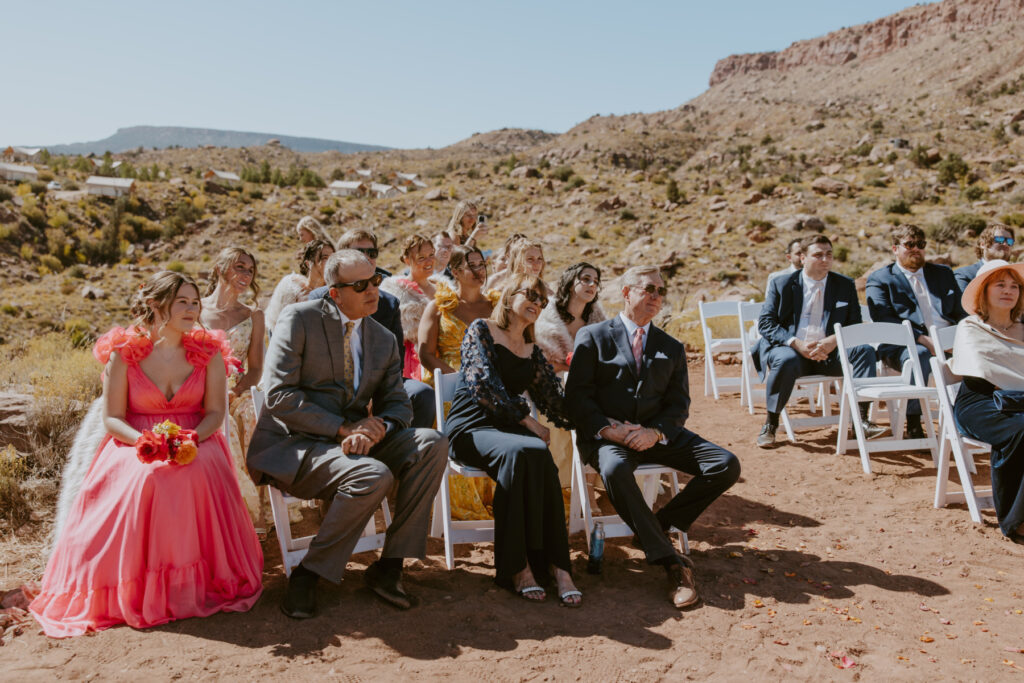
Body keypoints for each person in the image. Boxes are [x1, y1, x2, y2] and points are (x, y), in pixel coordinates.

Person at [31, 272, 263, 637]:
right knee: (148, 476)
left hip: (198, 437)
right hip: (133, 439)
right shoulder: (125, 354)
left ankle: (188, 587)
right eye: (182, 301)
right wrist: (144, 442)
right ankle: (135, 587)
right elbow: (112, 418)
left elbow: (216, 413)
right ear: (157, 305)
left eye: (194, 301)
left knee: (194, 470)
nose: (192, 309)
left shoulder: (209, 352)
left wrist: (190, 439)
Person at [248, 250, 448, 618]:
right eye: (360, 285)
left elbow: (397, 404)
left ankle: (389, 567)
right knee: (374, 474)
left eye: (374, 280)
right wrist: (343, 428)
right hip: (298, 445)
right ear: (334, 293)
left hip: (354, 445)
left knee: (432, 443)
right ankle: (308, 574)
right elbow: (279, 396)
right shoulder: (300, 319)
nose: (373, 290)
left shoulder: (383, 338)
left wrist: (380, 427)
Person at [566, 265, 740, 609]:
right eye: (648, 289)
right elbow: (576, 399)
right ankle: (671, 563)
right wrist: (607, 429)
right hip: (609, 438)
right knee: (614, 470)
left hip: (658, 436)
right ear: (627, 292)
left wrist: (655, 432)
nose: (656, 297)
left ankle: (657, 527)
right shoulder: (593, 336)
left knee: (726, 464)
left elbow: (679, 405)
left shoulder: (671, 346)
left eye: (660, 291)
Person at [445, 275, 582, 606]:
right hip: (472, 426)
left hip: (509, 431)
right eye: (531, 294)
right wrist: (528, 421)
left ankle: (557, 566)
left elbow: (556, 401)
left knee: (538, 454)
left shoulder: (533, 350)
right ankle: (516, 568)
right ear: (509, 296)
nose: (538, 302)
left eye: (543, 300)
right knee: (525, 448)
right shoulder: (481, 330)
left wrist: (600, 420)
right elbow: (484, 386)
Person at [753, 235, 884, 448]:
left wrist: (833, 341)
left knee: (864, 351)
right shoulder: (782, 284)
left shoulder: (844, 285)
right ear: (803, 258)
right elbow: (766, 324)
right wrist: (797, 343)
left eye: (829, 254)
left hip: (830, 352)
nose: (825, 259)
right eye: (818, 255)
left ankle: (862, 421)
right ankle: (771, 423)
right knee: (783, 360)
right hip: (793, 351)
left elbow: (854, 324)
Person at [308, 228, 435, 429]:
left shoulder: (388, 303)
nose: (367, 258)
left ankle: (400, 449)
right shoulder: (318, 301)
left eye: (372, 253)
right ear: (341, 258)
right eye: (359, 252)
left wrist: (373, 391)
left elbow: (396, 361)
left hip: (378, 385)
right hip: (332, 387)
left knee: (422, 394)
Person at [866, 224, 966, 438]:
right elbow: (884, 319)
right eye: (909, 244)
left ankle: (971, 420)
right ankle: (913, 422)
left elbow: (960, 311)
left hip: (950, 341)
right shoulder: (881, 279)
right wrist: (922, 339)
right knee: (919, 354)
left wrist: (963, 336)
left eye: (920, 245)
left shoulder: (943, 274)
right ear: (895, 249)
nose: (916, 249)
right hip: (902, 344)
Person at [949, 259, 1024, 543]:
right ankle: (1016, 521)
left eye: (1014, 286)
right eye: (1000, 285)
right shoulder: (970, 327)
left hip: (1020, 401)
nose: (1008, 291)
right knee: (1021, 429)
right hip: (980, 402)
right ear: (984, 290)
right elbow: (989, 374)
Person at [200, 247, 268, 533]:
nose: (245, 274)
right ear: (220, 267)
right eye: (239, 267)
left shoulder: (254, 316)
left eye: (250, 270)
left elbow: (255, 369)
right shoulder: (197, 310)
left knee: (251, 413)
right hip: (200, 391)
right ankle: (222, 511)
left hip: (237, 390)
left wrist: (235, 390)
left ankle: (253, 510)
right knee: (218, 421)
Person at [535, 262, 606, 485]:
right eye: (585, 279)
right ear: (570, 282)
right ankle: (569, 487)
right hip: (555, 389)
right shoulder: (548, 319)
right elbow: (541, 364)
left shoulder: (599, 320)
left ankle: (597, 487)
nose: (591, 285)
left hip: (592, 387)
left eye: (595, 281)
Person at [380, 234, 436, 382]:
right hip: (412, 358)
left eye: (431, 255)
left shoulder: (442, 288)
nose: (429, 261)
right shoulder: (396, 292)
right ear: (407, 260)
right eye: (421, 258)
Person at [265, 239, 335, 333]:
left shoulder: (334, 292)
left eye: (333, 258)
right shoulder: (291, 286)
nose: (330, 263)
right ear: (308, 263)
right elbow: (276, 324)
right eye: (324, 258)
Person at [955, 223, 1016, 294]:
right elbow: (963, 304)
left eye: (1009, 241)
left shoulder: (1017, 276)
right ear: (983, 244)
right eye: (999, 239)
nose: (1005, 244)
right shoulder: (965, 275)